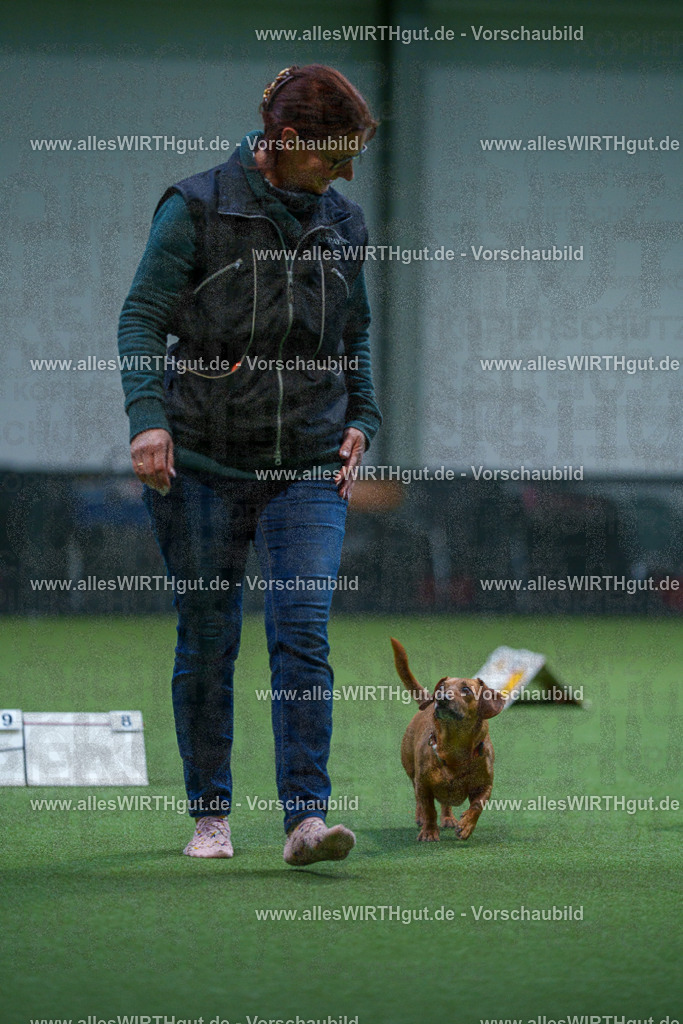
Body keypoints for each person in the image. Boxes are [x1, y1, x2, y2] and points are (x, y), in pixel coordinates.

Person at [118, 65, 381, 866]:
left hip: (307, 462)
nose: (345, 173)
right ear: (288, 141)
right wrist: (147, 419)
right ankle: (210, 816)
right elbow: (141, 317)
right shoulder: (196, 206)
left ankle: (306, 819)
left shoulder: (343, 224)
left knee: (302, 634)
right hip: (201, 461)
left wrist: (363, 417)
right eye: (334, 156)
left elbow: (355, 334)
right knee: (208, 637)